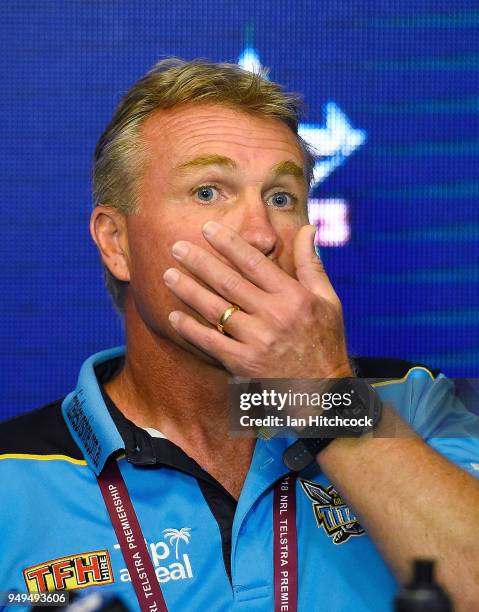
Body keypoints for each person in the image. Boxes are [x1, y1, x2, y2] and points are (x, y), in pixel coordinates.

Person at [1, 58, 479, 612]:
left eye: (281, 198)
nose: (260, 234)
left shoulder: (417, 402)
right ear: (116, 242)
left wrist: (321, 394)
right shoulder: (12, 479)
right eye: (208, 191)